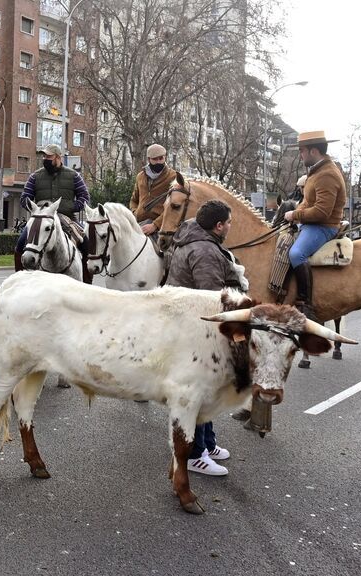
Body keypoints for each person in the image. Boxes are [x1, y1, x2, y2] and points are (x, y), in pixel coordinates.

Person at [165, 199, 243, 476]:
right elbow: (211, 299)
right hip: (197, 333)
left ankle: (207, 444)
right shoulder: (205, 251)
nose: (231, 227)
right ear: (219, 226)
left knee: (206, 391)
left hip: (190, 327)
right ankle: (196, 454)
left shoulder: (198, 242)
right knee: (198, 393)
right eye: (229, 223)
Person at [282, 130, 346, 321]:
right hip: (311, 224)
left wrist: (295, 214)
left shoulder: (327, 175)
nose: (300, 154)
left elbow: (321, 212)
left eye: (302, 150)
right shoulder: (316, 171)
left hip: (324, 226)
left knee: (296, 253)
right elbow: (307, 202)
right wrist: (296, 215)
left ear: (313, 151)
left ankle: (305, 303)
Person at [15, 143, 91, 271]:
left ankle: (87, 281)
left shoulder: (74, 176)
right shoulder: (35, 176)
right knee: (20, 243)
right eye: (44, 156)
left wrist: (70, 207)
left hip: (67, 218)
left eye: (48, 156)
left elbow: (84, 198)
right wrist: (37, 209)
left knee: (87, 244)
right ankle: (19, 277)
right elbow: (24, 198)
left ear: (58, 157)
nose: (45, 159)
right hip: (41, 218)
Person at [130, 143, 178, 236]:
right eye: (155, 159)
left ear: (165, 158)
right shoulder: (140, 176)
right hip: (139, 225)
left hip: (162, 229)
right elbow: (133, 200)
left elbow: (175, 207)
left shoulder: (174, 177)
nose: (158, 162)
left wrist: (155, 225)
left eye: (161, 158)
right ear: (149, 159)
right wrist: (135, 213)